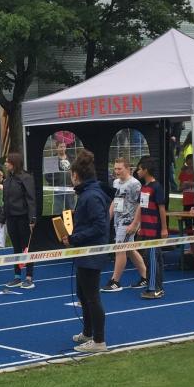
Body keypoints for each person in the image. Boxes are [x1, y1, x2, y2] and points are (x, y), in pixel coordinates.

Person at [66, 149, 111, 351]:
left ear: (76, 175)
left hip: (92, 252)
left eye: (71, 175)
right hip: (84, 251)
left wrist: (75, 238)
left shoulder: (91, 195)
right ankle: (87, 333)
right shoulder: (88, 193)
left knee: (92, 297)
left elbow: (100, 226)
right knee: (83, 294)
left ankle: (99, 341)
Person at [102, 157, 148, 293]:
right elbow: (115, 201)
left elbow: (141, 204)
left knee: (120, 249)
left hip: (128, 222)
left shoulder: (135, 184)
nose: (117, 171)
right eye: (115, 168)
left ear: (128, 169)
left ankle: (115, 281)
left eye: (119, 169)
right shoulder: (115, 182)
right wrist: (108, 218)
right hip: (118, 221)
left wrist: (136, 223)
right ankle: (145, 276)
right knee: (130, 249)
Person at [2, 153, 37, 289]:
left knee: (26, 247)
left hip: (23, 217)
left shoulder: (26, 178)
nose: (5, 164)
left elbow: (31, 199)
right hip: (11, 218)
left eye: (7, 161)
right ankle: (17, 276)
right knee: (16, 247)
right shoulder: (7, 180)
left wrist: (32, 218)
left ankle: (29, 277)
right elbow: (6, 200)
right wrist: (2, 217)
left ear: (14, 163)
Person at [135, 157, 168, 300]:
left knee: (153, 259)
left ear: (146, 170)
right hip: (146, 229)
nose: (137, 172)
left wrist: (164, 229)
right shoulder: (144, 187)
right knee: (150, 258)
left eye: (139, 169)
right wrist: (140, 226)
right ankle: (154, 285)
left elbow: (162, 209)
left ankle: (154, 288)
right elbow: (142, 208)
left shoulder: (156, 187)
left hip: (154, 230)